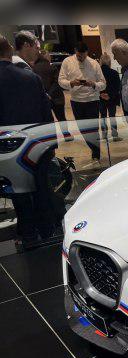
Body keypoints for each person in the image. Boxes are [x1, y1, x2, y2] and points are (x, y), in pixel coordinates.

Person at [0, 34, 60, 243]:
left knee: (18, 193)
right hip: (36, 145)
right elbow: (45, 114)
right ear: (10, 50)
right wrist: (51, 144)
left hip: (6, 149)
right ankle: (47, 230)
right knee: (42, 188)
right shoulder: (31, 78)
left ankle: (28, 234)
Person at [58, 41, 106, 164]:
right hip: (76, 101)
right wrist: (71, 83)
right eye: (79, 56)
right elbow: (61, 80)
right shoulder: (67, 62)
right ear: (75, 51)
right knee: (82, 129)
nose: (81, 58)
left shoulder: (94, 63)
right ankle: (94, 150)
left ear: (87, 53)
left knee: (93, 129)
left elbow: (103, 84)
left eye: (84, 56)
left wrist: (93, 84)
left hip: (92, 100)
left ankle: (96, 154)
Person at [33, 49, 72, 140]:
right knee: (61, 118)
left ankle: (51, 137)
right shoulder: (52, 67)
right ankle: (66, 135)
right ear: (46, 56)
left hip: (42, 98)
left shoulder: (33, 68)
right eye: (49, 56)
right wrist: (50, 94)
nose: (50, 57)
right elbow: (57, 82)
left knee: (48, 120)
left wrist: (45, 94)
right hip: (57, 97)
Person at [99, 53, 122, 142]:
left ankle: (104, 135)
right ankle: (115, 135)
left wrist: (101, 94)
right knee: (112, 116)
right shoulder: (114, 73)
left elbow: (94, 86)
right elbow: (118, 87)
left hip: (100, 98)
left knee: (103, 117)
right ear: (109, 62)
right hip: (111, 99)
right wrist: (110, 95)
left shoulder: (97, 73)